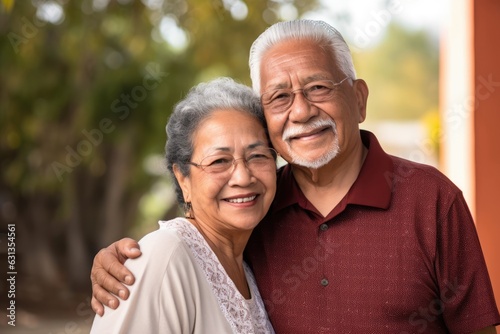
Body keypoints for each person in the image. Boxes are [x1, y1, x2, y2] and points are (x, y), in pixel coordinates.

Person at [90, 20, 500, 333]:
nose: (301, 111)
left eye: (318, 87)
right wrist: (123, 264)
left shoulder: (433, 199)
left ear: (358, 99)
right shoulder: (254, 210)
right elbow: (181, 259)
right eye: (280, 97)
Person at [90, 77, 277, 333]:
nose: (243, 177)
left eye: (257, 156)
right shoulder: (166, 256)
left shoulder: (248, 264)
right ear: (183, 179)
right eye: (219, 161)